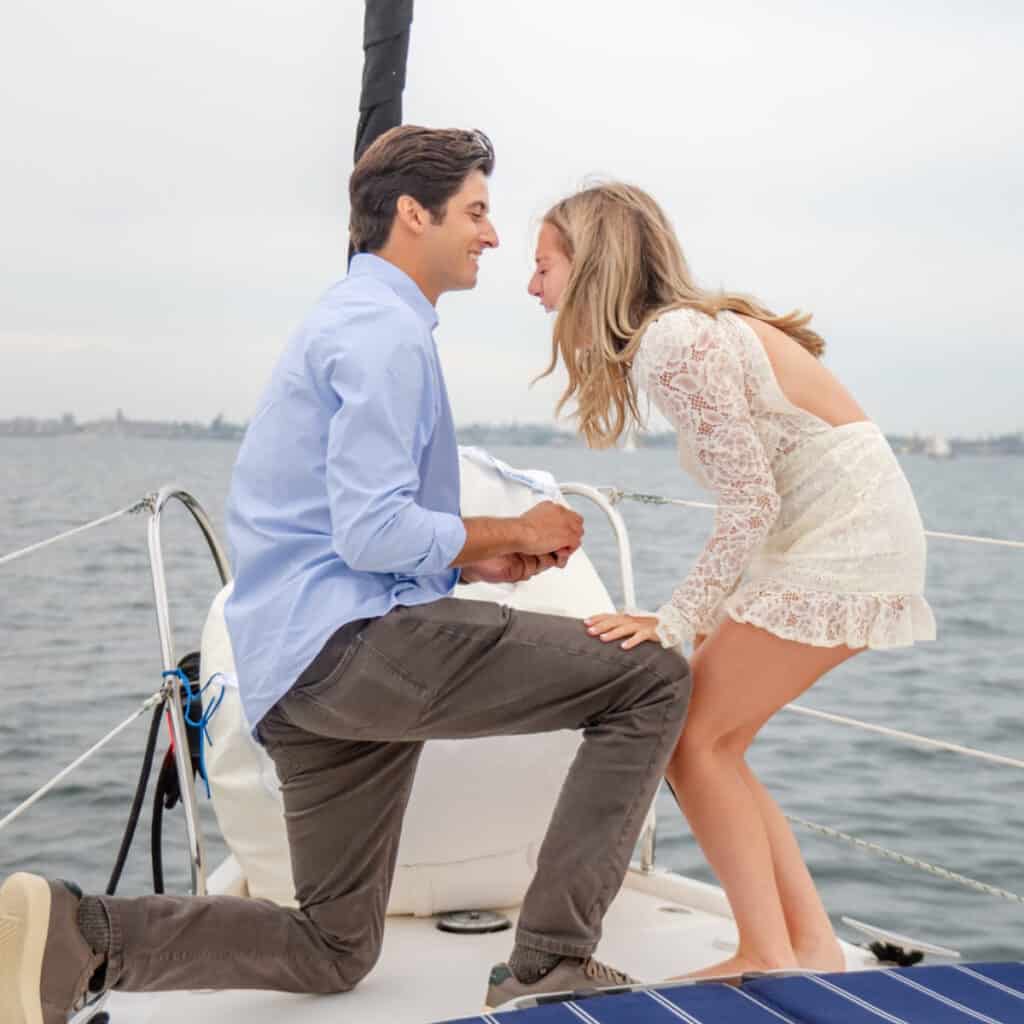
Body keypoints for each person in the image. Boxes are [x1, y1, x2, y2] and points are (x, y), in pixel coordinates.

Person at [0, 131, 691, 1024]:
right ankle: (552, 962)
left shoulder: (349, 319)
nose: (490, 236)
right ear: (414, 213)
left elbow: (349, 528)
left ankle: (82, 935)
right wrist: (518, 524)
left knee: (332, 948)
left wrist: (479, 556)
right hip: (357, 650)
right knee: (652, 678)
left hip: (295, 675)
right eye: (477, 212)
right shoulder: (383, 332)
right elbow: (374, 532)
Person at [527, 182, 936, 979]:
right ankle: (809, 948)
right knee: (719, 743)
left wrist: (674, 621)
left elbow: (752, 500)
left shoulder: (673, 342)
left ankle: (766, 954)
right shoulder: (686, 332)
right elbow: (768, 495)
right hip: (827, 536)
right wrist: (708, 613)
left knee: (693, 741)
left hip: (842, 543)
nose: (532, 285)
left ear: (590, 268)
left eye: (543, 265)